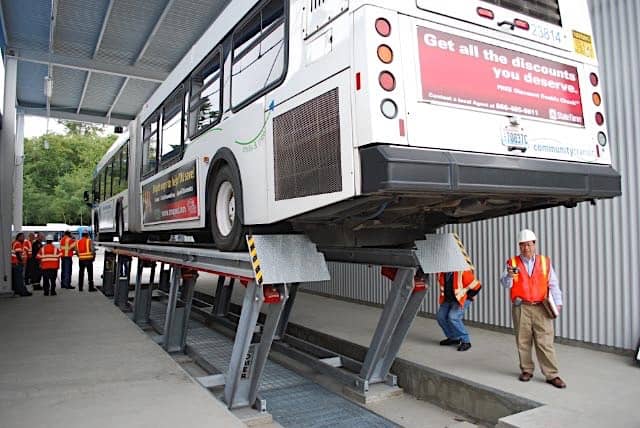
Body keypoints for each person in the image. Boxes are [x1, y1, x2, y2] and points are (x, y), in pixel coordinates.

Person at [500, 229, 566, 389]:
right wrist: (509, 276)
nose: (526, 248)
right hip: (521, 307)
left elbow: (553, 284)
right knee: (523, 341)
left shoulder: (545, 262)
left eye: (528, 245)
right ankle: (526, 370)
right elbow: (505, 284)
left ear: (534, 244)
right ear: (519, 246)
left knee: (545, 342)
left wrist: (558, 303)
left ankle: (552, 374)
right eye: (522, 245)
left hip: (542, 307)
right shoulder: (512, 263)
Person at [436, 270, 481, 351]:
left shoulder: (463, 272)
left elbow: (478, 286)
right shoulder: (441, 272)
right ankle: (453, 338)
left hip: (461, 299)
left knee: (453, 317)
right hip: (448, 299)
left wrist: (467, 297)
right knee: (440, 317)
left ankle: (466, 341)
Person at [10, 232, 32, 297]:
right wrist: (21, 262)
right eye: (22, 237)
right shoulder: (18, 243)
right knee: (19, 278)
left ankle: (17, 290)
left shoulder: (14, 242)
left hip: (14, 263)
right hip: (17, 263)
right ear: (18, 237)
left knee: (16, 279)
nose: (23, 238)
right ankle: (22, 292)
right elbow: (18, 254)